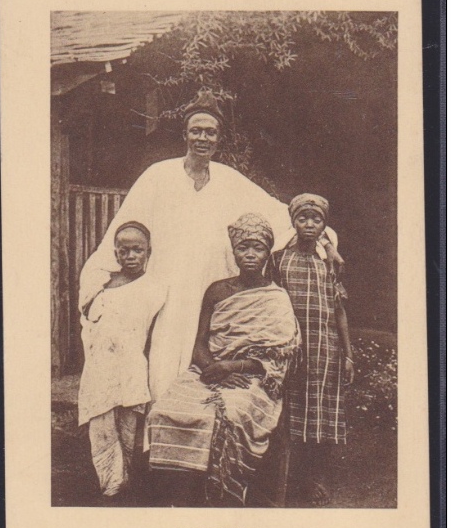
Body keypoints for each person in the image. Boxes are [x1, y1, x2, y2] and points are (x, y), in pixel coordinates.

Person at [79, 90, 340, 402]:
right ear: (185, 134)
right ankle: (160, 432)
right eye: (196, 131)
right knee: (164, 355)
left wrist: (325, 239)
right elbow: (126, 230)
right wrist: (102, 277)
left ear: (219, 138)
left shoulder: (229, 180)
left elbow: (280, 214)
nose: (202, 138)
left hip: (213, 288)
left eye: (210, 132)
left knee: (211, 361)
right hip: (169, 286)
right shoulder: (157, 176)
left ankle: (204, 438)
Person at [147, 213, 299, 506]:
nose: (250, 254)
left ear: (268, 252)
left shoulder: (276, 297)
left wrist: (233, 367)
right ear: (234, 252)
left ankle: (223, 493)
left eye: (258, 248)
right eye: (244, 248)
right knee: (164, 410)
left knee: (230, 414)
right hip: (209, 370)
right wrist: (212, 369)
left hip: (254, 375)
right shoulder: (218, 290)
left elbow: (278, 355)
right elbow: (200, 344)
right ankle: (179, 492)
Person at [266, 194, 354, 506]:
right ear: (293, 222)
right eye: (303, 218)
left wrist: (348, 354)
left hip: (325, 349)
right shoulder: (278, 260)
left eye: (316, 219)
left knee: (321, 414)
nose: (309, 224)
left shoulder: (330, 262)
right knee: (291, 412)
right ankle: (287, 479)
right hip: (292, 347)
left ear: (324, 225)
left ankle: (314, 477)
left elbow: (339, 309)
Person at [78, 221, 165, 500]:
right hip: (100, 364)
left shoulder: (154, 287)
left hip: (131, 364)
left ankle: (125, 478)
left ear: (148, 252)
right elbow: (89, 318)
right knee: (102, 422)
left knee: (128, 426)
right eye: (124, 250)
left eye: (137, 250)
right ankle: (110, 482)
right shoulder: (101, 284)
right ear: (115, 253)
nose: (130, 256)